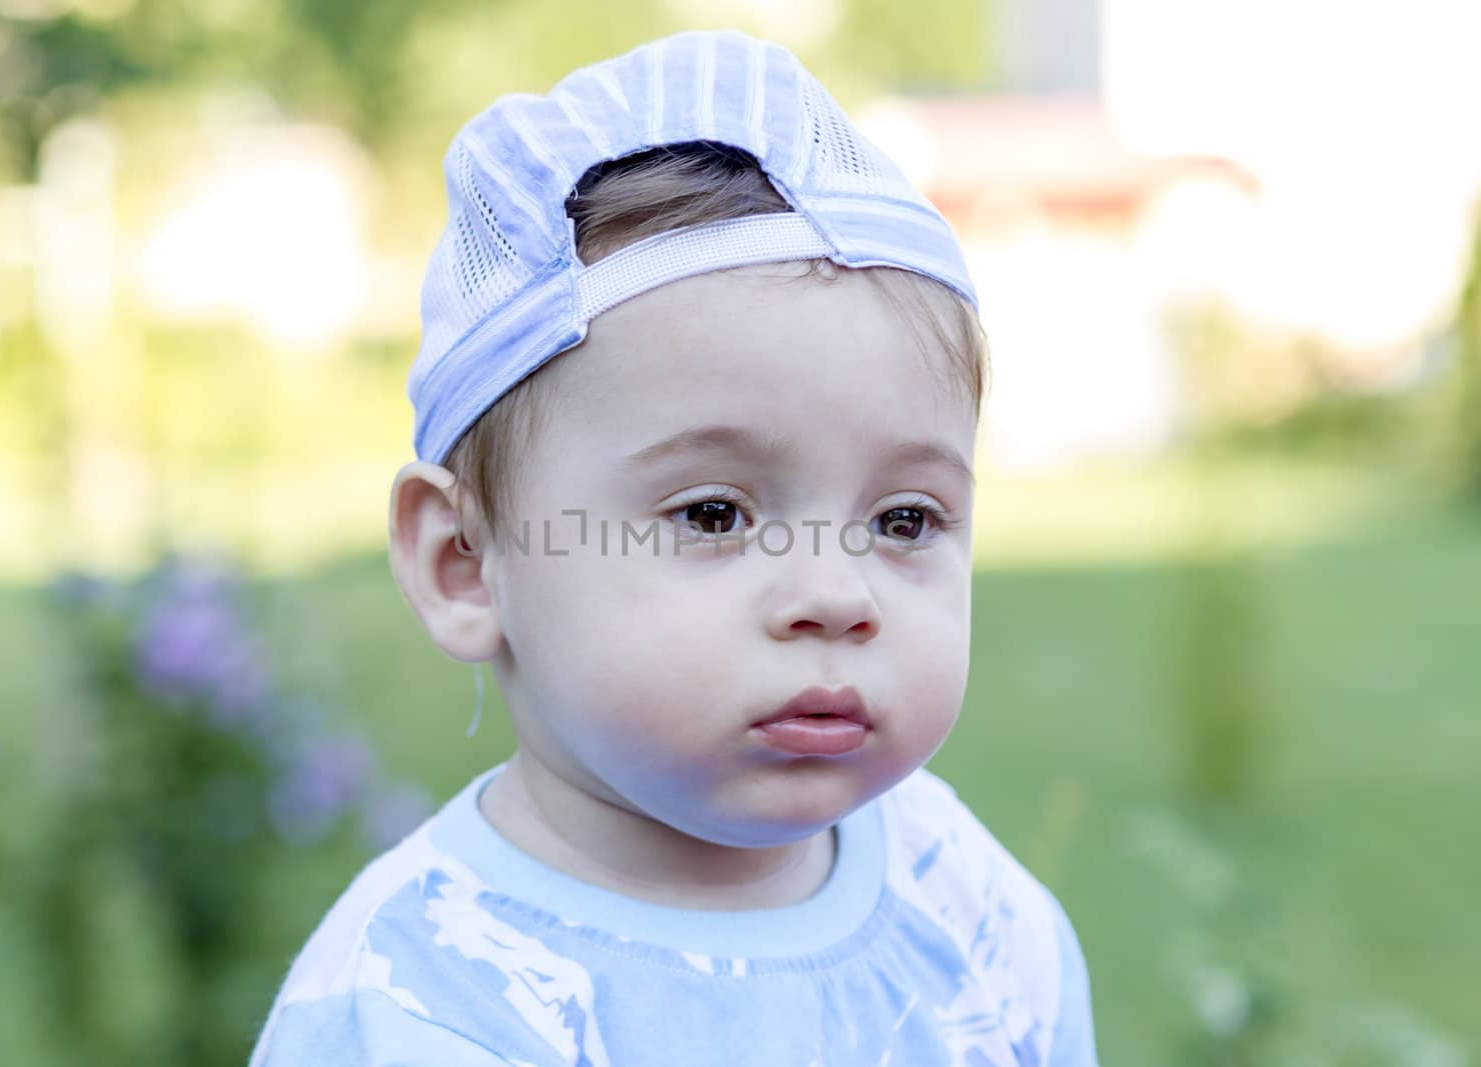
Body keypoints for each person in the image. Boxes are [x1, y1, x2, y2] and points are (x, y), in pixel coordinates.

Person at [250, 28, 1098, 1066]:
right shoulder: (419, 1003)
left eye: (904, 518)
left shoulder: (970, 911)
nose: (836, 595)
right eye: (712, 513)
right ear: (466, 561)